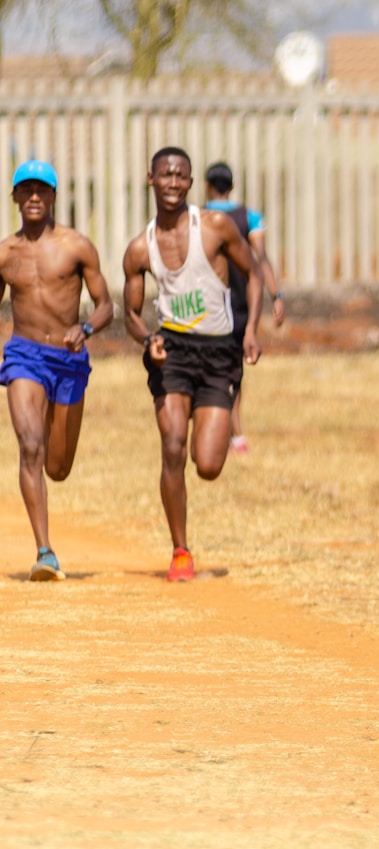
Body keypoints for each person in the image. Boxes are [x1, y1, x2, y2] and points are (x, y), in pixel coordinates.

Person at [120, 146, 263, 582]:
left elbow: (253, 274)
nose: (173, 183)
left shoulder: (215, 227)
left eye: (181, 176)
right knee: (172, 445)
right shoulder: (139, 249)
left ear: (191, 181)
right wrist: (148, 340)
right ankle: (180, 551)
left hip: (219, 352)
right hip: (173, 352)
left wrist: (251, 329)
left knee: (208, 464)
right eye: (166, 175)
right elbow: (129, 313)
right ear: (151, 179)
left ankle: (187, 531)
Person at [0, 161, 113, 580]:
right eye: (25, 189)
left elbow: (106, 306)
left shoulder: (77, 246)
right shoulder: (5, 254)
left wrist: (84, 328)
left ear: (52, 197)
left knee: (58, 467)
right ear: (14, 197)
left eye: (41, 190)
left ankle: (52, 453)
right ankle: (44, 551)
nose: (33, 197)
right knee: (30, 446)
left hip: (68, 361)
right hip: (24, 357)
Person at [203, 161, 284, 456]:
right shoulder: (249, 216)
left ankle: (223, 429)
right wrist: (276, 294)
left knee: (213, 367)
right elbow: (261, 258)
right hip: (240, 300)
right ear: (232, 186)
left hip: (207, 300)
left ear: (207, 185)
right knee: (234, 369)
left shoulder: (197, 215)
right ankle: (234, 432)